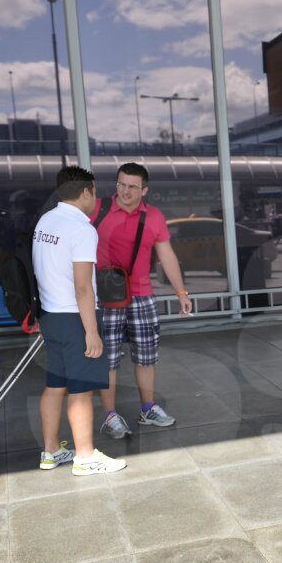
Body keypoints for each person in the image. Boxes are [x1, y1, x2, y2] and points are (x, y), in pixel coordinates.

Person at [32, 166, 126, 476]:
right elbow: (83, 287)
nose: (95, 198)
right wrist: (92, 332)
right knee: (81, 389)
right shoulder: (82, 229)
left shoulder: (46, 221)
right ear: (86, 192)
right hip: (75, 318)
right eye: (94, 192)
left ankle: (51, 452)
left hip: (51, 316)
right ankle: (85, 457)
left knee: (55, 385)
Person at [92, 163, 192, 439]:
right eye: (121, 184)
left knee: (146, 357)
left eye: (132, 186)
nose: (125, 191)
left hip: (142, 296)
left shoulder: (154, 217)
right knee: (108, 360)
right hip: (106, 298)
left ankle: (148, 408)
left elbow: (167, 255)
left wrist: (181, 292)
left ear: (144, 190)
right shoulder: (97, 210)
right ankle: (110, 415)